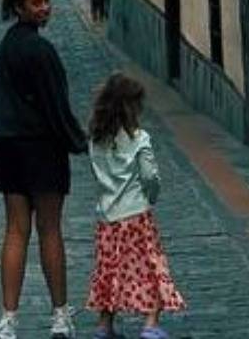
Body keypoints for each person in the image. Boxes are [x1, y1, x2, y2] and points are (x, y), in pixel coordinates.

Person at [0, 0, 88, 339]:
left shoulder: (5, 49)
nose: (45, 8)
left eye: (46, 1)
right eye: (37, 2)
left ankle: (8, 319)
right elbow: (56, 105)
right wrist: (78, 141)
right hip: (43, 150)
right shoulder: (42, 51)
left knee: (15, 231)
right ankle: (60, 315)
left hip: (9, 150)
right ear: (19, 6)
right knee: (50, 230)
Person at [83, 73, 184, 339]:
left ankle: (104, 325)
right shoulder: (139, 139)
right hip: (137, 215)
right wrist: (151, 196)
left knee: (109, 269)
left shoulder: (95, 140)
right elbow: (150, 176)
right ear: (131, 107)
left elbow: (97, 173)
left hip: (107, 217)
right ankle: (150, 324)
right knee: (150, 267)